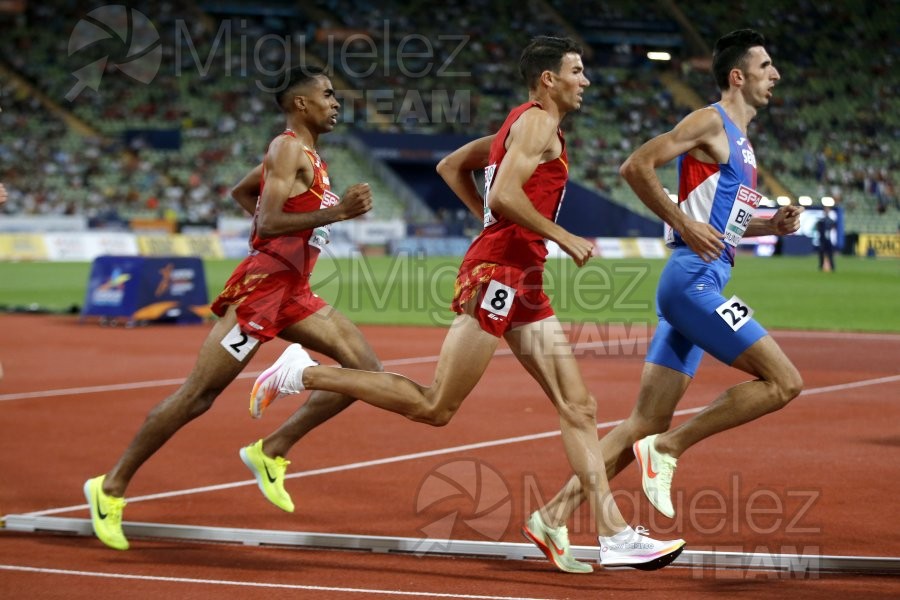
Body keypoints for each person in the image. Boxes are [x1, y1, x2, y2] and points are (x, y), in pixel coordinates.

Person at [249, 36, 685, 574]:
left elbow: (452, 167)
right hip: (498, 275)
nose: (585, 81)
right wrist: (557, 234)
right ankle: (305, 374)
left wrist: (493, 224)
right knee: (437, 406)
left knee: (580, 407)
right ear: (548, 79)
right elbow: (502, 194)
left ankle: (592, 528)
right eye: (577, 70)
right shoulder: (536, 123)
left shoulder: (519, 126)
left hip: (523, 277)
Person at [83, 65, 383, 550]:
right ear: (300, 104)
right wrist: (337, 213)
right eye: (327, 95)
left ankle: (272, 450)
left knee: (366, 371)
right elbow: (265, 221)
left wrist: (310, 225)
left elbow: (244, 193)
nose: (336, 102)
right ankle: (109, 488)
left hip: (295, 290)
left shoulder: (308, 155)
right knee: (198, 397)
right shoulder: (286, 147)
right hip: (263, 291)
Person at [532, 29, 805, 528]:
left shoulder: (742, 145)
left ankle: (551, 516)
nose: (776, 75)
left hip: (702, 281)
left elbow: (720, 224)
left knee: (644, 419)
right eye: (766, 66)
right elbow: (635, 166)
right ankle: (668, 448)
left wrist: (769, 223)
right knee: (784, 381)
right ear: (738, 76)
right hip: (692, 283)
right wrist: (682, 224)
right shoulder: (710, 120)